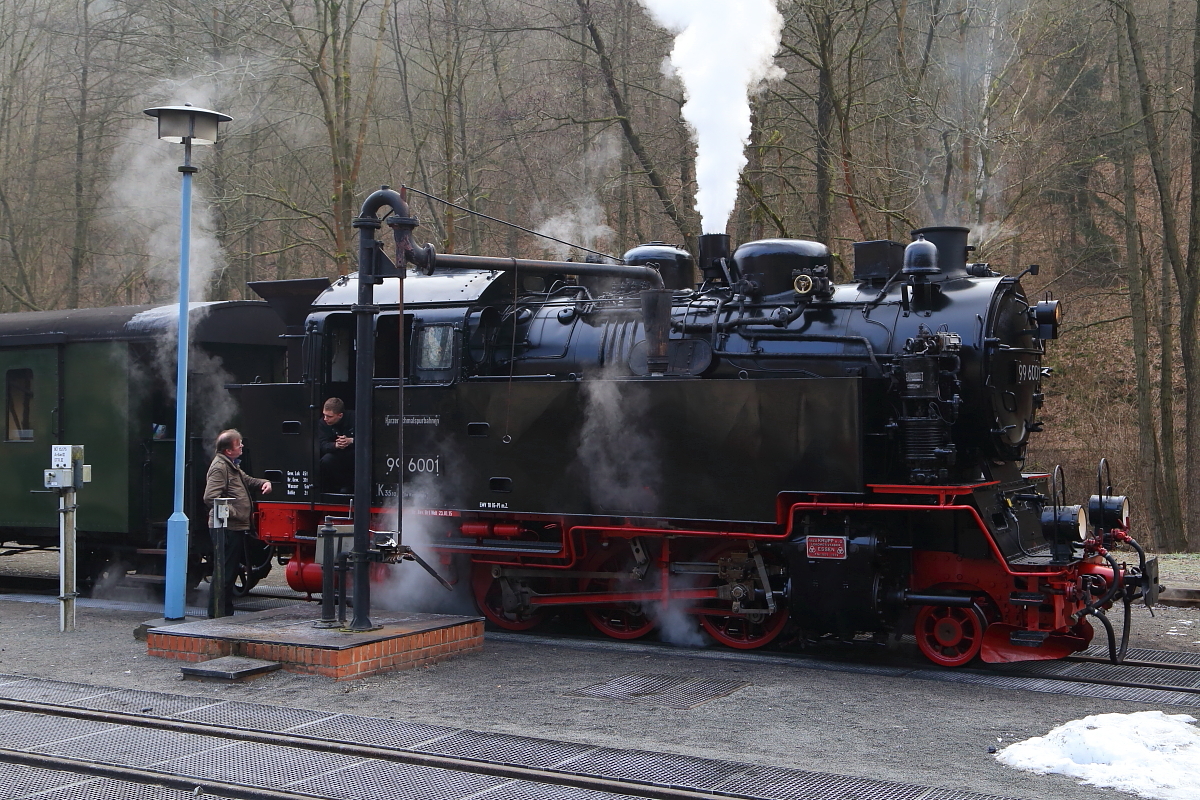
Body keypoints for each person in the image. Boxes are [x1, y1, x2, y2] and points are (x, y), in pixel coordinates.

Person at [203, 429, 272, 617]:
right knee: (224, 574)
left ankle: (225, 613)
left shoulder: (231, 465)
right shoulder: (220, 467)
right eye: (238, 444)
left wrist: (263, 483)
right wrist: (235, 513)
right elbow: (211, 497)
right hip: (226, 528)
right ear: (228, 450)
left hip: (234, 527)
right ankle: (217, 615)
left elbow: (246, 480)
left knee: (229, 572)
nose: (242, 446)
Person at [318, 397, 355, 493]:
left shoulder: (355, 418)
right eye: (324, 415)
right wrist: (336, 445)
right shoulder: (322, 423)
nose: (325, 419)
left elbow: (370, 438)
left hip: (355, 452)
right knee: (326, 460)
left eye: (329, 416)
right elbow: (322, 444)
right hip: (337, 454)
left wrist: (351, 440)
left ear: (340, 415)